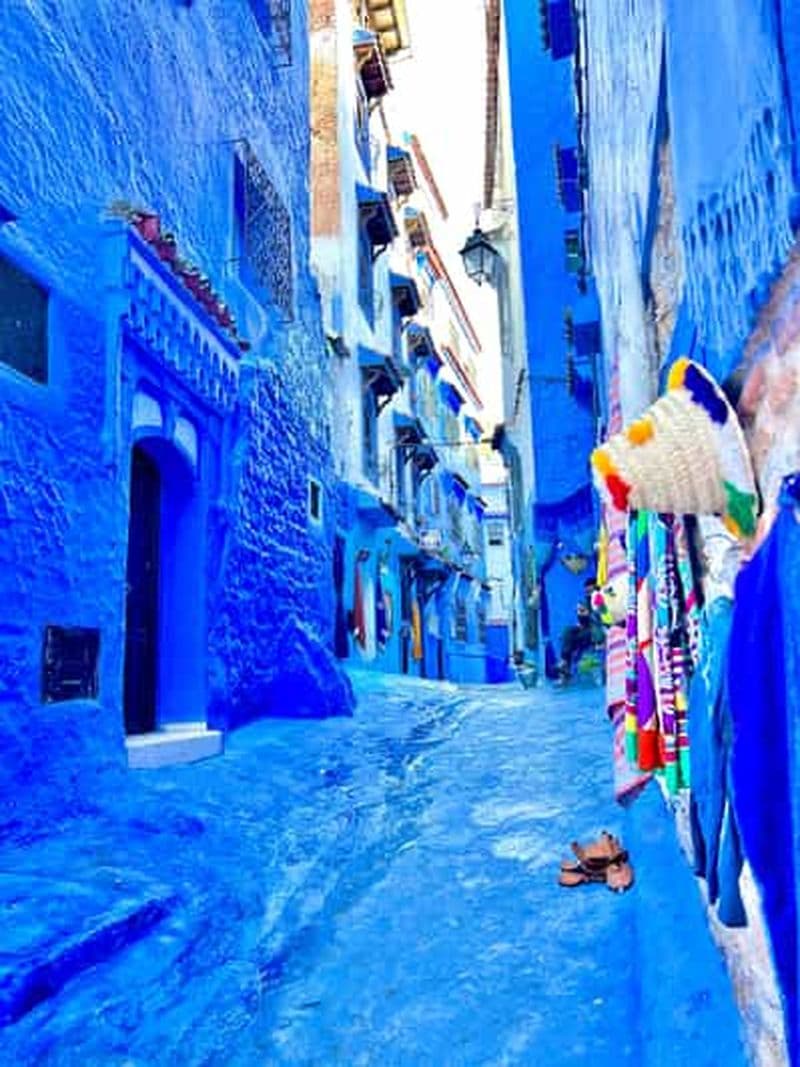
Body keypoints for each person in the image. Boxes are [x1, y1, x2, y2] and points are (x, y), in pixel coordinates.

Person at [558, 578, 599, 681]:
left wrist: (589, 615)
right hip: (585, 629)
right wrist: (581, 613)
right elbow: (582, 619)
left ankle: (566, 666)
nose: (588, 595)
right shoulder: (585, 603)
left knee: (575, 638)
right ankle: (564, 663)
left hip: (596, 631)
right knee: (568, 631)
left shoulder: (600, 601)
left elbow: (600, 620)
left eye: (590, 591)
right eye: (587, 592)